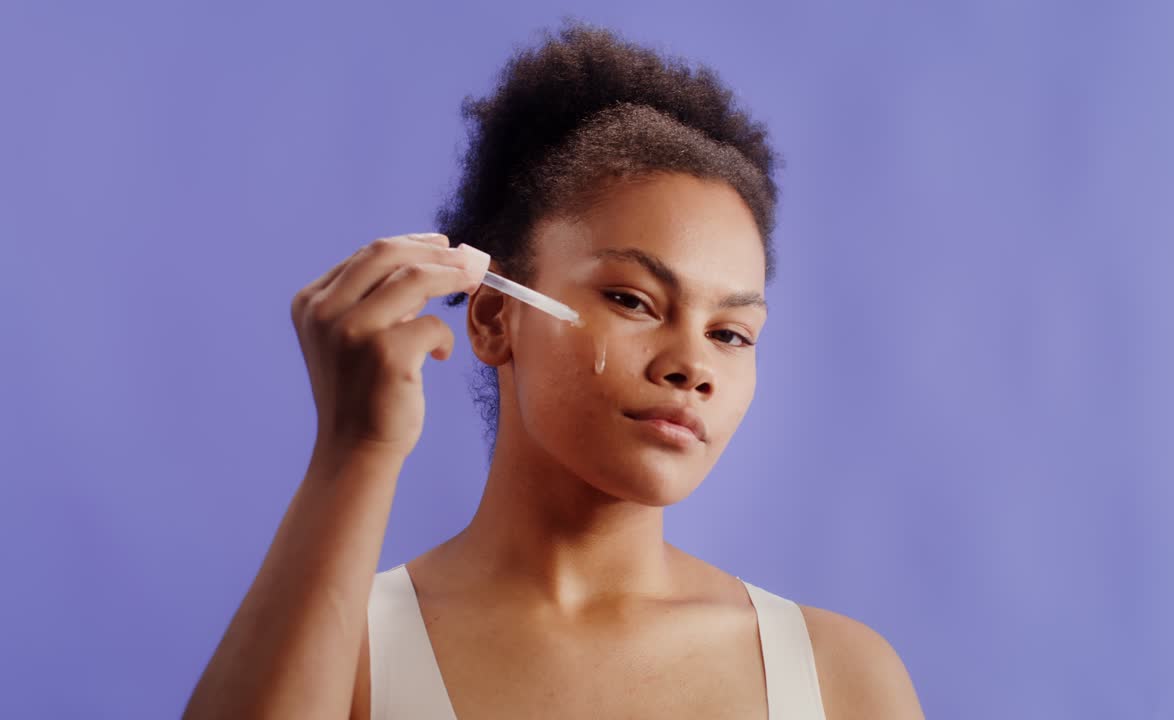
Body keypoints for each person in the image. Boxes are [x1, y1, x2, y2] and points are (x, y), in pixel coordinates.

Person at [184, 23, 924, 720]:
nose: (693, 366)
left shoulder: (842, 679)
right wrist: (355, 452)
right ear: (493, 317)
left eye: (731, 333)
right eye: (634, 299)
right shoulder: (338, 657)